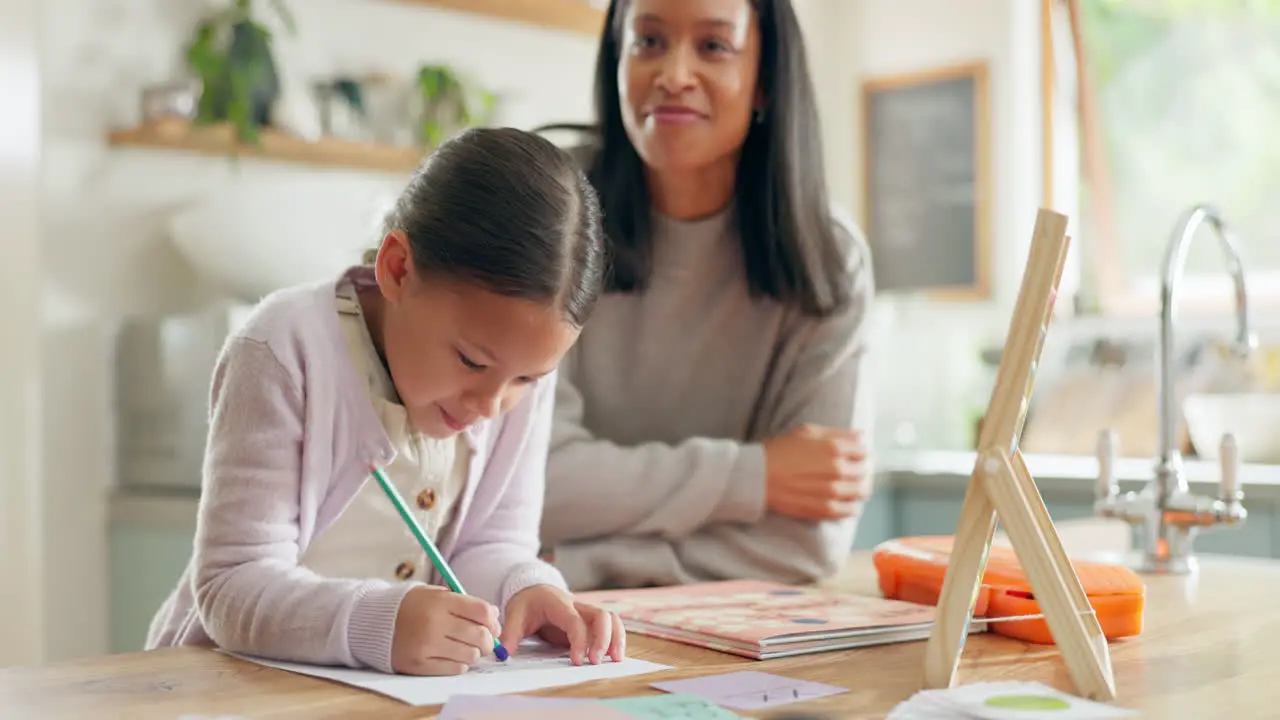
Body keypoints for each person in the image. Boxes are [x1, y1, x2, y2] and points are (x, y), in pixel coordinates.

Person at [146, 127, 625, 676]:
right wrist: (380, 623)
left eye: (528, 380)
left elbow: (490, 542)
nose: (492, 405)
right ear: (398, 268)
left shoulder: (513, 376)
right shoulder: (283, 348)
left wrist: (529, 587)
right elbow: (232, 586)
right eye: (471, 361)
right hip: (223, 689)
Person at [539, 0, 877, 591]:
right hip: (529, 628)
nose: (673, 75)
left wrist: (579, 564)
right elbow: (531, 485)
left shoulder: (830, 259)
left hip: (659, 620)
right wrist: (756, 477)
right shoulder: (547, 212)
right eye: (648, 41)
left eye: (714, 46)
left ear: (766, 83)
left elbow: (808, 543)